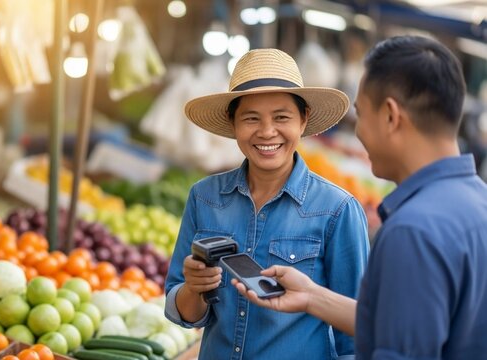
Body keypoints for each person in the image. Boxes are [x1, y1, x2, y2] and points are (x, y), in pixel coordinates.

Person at [234, 36, 487, 359]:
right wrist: (312, 296)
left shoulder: (413, 230)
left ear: (391, 116)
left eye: (361, 113)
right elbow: (409, 327)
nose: (358, 131)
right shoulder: (478, 202)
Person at [164, 48, 370, 359]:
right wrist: (194, 289)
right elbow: (185, 314)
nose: (267, 131)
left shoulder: (337, 210)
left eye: (281, 117)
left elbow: (356, 339)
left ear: (303, 120)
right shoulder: (204, 197)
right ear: (233, 124)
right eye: (251, 118)